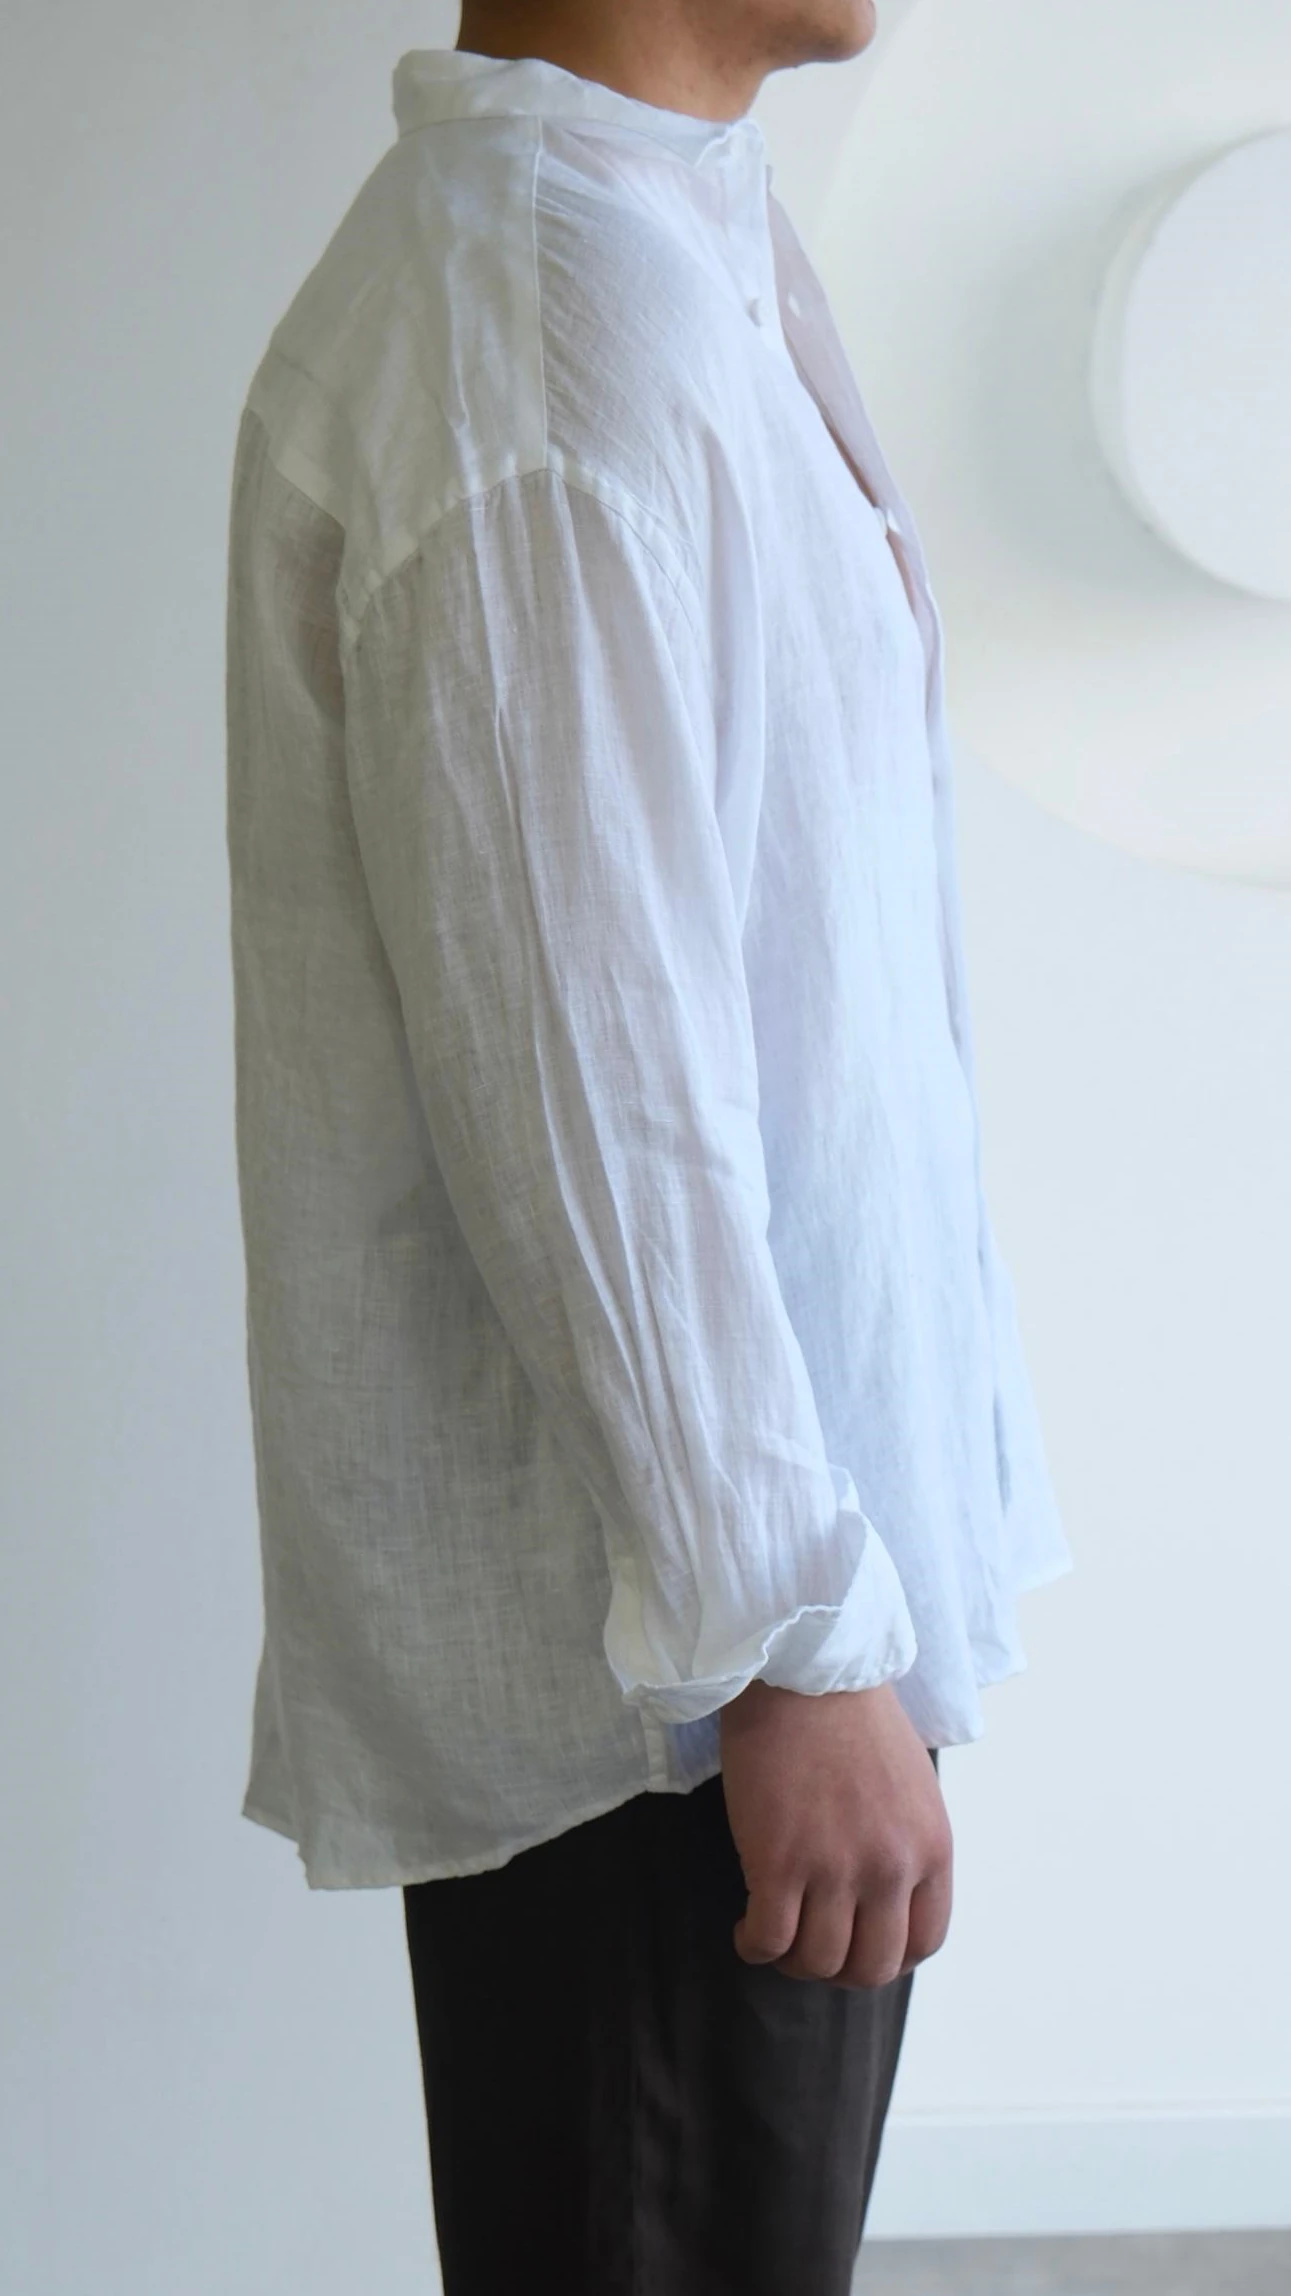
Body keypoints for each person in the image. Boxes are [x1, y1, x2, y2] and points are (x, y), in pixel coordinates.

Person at [223, 3, 1073, 2289]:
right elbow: (589, 1070)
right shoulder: (526, 320)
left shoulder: (647, 247)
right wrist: (785, 1630)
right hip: (673, 1694)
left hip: (736, 1636)